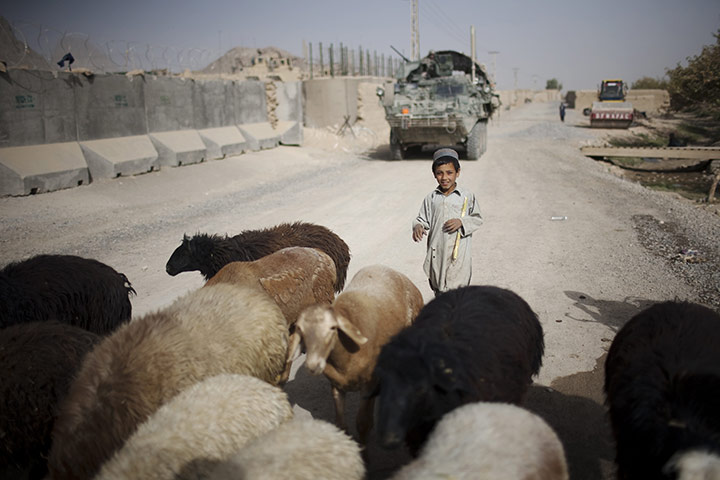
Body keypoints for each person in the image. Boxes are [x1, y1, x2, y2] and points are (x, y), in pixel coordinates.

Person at [412, 148, 483, 296]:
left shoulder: (466, 196)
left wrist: (462, 222)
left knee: (458, 294)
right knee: (439, 291)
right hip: (437, 253)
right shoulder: (431, 198)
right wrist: (418, 226)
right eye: (440, 173)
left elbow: (477, 218)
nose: (444, 177)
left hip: (458, 254)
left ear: (457, 172)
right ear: (434, 175)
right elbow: (422, 219)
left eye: (449, 173)